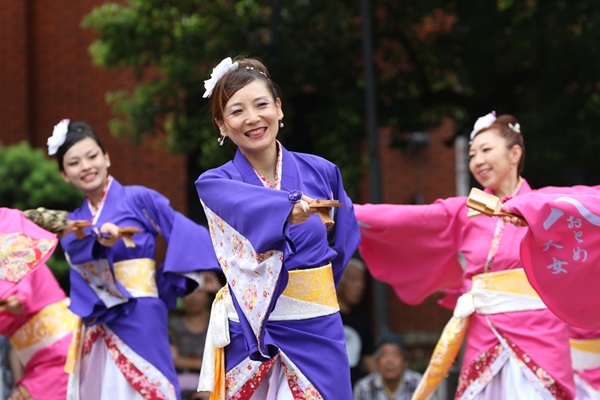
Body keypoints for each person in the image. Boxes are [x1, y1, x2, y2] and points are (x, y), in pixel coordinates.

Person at [354, 112, 576, 399]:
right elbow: (406, 218)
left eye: (486, 150)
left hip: (540, 334)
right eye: (472, 154)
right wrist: (346, 211)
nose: (478, 161)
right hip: (485, 335)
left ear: (514, 154)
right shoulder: (466, 210)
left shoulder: (548, 207)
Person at [195, 56, 361, 399]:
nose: (253, 118)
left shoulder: (323, 172)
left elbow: (343, 245)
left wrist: (316, 297)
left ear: (279, 108)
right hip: (249, 328)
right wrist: (286, 210)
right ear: (222, 125)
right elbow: (243, 206)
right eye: (237, 111)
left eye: (261, 105)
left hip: (317, 325)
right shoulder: (214, 184)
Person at [35, 119, 220, 400]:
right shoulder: (74, 223)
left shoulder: (140, 199)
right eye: (74, 163)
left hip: (143, 311)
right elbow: (79, 258)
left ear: (107, 157)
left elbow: (189, 234)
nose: (86, 166)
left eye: (92, 156)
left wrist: (166, 284)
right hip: (99, 323)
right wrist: (98, 239)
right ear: (64, 174)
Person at [0, 207, 77, 400]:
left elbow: (18, 298)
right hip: (38, 358)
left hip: (60, 352)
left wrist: (9, 302)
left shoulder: (13, 250)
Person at [169, 272, 220, 400]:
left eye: (199, 291)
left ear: (208, 296)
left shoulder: (219, 322)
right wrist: (207, 365)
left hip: (215, 382)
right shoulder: (173, 326)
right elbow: (174, 360)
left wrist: (219, 291)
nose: (193, 297)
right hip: (181, 383)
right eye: (189, 292)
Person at [337, 257, 376, 387]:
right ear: (339, 281)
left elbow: (368, 357)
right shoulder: (326, 317)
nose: (360, 286)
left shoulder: (361, 319)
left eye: (362, 280)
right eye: (353, 279)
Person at [353, 332, 428, 400]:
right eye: (384, 355)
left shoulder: (419, 384)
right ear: (377, 362)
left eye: (396, 355)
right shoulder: (363, 388)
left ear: (405, 362)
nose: (390, 361)